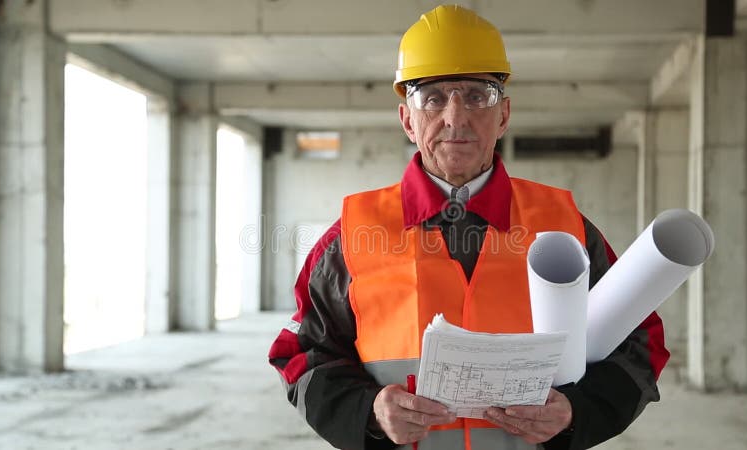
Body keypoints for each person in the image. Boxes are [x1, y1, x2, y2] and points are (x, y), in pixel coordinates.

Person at [269, 4, 669, 449]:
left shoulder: (565, 227)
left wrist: (577, 411)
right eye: (433, 98)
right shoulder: (354, 234)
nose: (456, 118)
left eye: (478, 96)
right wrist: (369, 411)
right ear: (407, 119)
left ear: (504, 116)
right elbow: (301, 354)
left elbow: (641, 341)